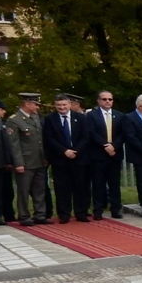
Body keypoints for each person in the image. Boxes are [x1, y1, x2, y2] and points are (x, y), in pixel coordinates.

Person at [43, 93, 90, 223]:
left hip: (78, 158)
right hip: (60, 159)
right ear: (55, 106)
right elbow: (49, 138)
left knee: (80, 186)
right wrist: (64, 151)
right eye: (59, 105)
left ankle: (81, 213)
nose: (62, 107)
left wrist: (76, 151)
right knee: (62, 188)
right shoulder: (49, 119)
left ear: (69, 104)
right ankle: (64, 214)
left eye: (64, 104)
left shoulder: (80, 118)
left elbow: (85, 137)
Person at [5, 93, 48, 225]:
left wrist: (45, 157)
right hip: (25, 162)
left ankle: (40, 214)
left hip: (39, 160)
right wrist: (18, 163)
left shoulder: (35, 117)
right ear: (27, 104)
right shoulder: (14, 120)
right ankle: (24, 216)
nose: (37, 107)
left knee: (39, 189)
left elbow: (40, 140)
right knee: (23, 190)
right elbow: (14, 144)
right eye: (35, 104)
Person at [86, 90, 124, 220]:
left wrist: (114, 146)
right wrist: (105, 145)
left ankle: (116, 209)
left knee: (115, 184)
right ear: (98, 101)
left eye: (110, 99)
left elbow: (123, 134)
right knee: (98, 184)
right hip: (98, 154)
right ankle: (98, 210)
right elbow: (91, 133)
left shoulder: (119, 115)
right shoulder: (92, 115)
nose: (107, 101)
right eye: (104, 99)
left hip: (115, 154)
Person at [0, 98, 9, 225]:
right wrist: (7, 161)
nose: (4, 112)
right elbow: (0, 145)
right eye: (2, 109)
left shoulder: (0, 122)